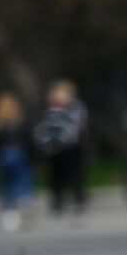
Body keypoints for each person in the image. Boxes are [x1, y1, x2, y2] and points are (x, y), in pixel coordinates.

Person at [33, 79, 88, 215]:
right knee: (56, 178)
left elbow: (77, 126)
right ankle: (57, 205)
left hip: (72, 148)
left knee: (75, 176)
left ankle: (78, 202)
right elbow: (42, 129)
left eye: (62, 93)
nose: (59, 95)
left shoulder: (76, 108)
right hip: (54, 149)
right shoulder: (50, 110)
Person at [0, 91, 35, 231]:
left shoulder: (23, 123)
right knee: (8, 185)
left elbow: (29, 143)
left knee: (22, 171)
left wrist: (34, 159)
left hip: (21, 158)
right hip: (5, 159)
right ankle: (16, 204)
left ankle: (24, 197)